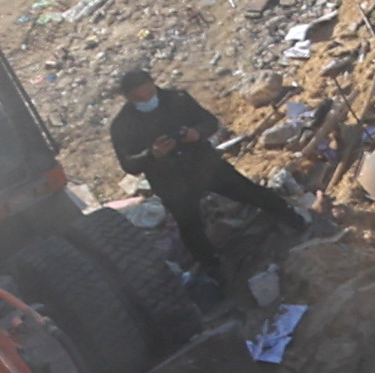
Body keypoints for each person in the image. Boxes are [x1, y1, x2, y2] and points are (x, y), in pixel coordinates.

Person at [114, 72, 307, 289]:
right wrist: (152, 154)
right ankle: (214, 268)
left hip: (204, 165)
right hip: (172, 183)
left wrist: (196, 133)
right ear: (130, 98)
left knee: (248, 191)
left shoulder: (176, 99)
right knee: (191, 228)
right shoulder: (123, 125)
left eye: (150, 91)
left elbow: (209, 122)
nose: (149, 98)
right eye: (142, 97)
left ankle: (290, 217)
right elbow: (129, 164)